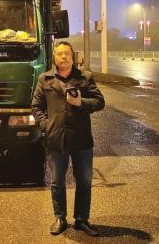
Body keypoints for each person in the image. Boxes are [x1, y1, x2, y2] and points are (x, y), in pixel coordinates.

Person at [31, 41, 105, 236]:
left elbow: (100, 102)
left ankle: (81, 220)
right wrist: (46, 125)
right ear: (54, 57)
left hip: (81, 140)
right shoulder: (44, 79)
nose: (63, 57)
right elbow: (36, 107)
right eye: (59, 54)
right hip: (56, 139)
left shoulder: (85, 77)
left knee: (84, 182)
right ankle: (60, 217)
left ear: (73, 57)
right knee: (57, 182)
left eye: (67, 54)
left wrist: (81, 102)